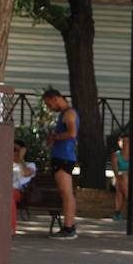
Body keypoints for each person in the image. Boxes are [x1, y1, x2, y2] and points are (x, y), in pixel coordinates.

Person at [42, 87, 79, 240]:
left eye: (48, 103)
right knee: (66, 193)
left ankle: (69, 227)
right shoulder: (64, 114)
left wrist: (56, 137)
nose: (49, 107)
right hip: (62, 156)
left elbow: (72, 133)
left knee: (66, 194)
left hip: (64, 157)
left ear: (55, 99)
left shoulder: (69, 113)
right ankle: (69, 225)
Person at [11, 140, 36, 235]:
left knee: (9, 195)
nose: (13, 151)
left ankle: (11, 229)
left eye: (15, 149)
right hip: (4, 192)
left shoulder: (30, 165)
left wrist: (20, 158)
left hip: (20, 193)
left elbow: (25, 173)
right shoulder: (5, 162)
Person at [111, 133, 130, 221]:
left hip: (130, 178)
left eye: (127, 142)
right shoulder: (115, 155)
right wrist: (120, 177)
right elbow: (115, 170)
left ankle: (118, 211)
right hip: (118, 177)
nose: (125, 144)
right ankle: (130, 203)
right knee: (121, 180)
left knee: (121, 184)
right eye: (123, 142)